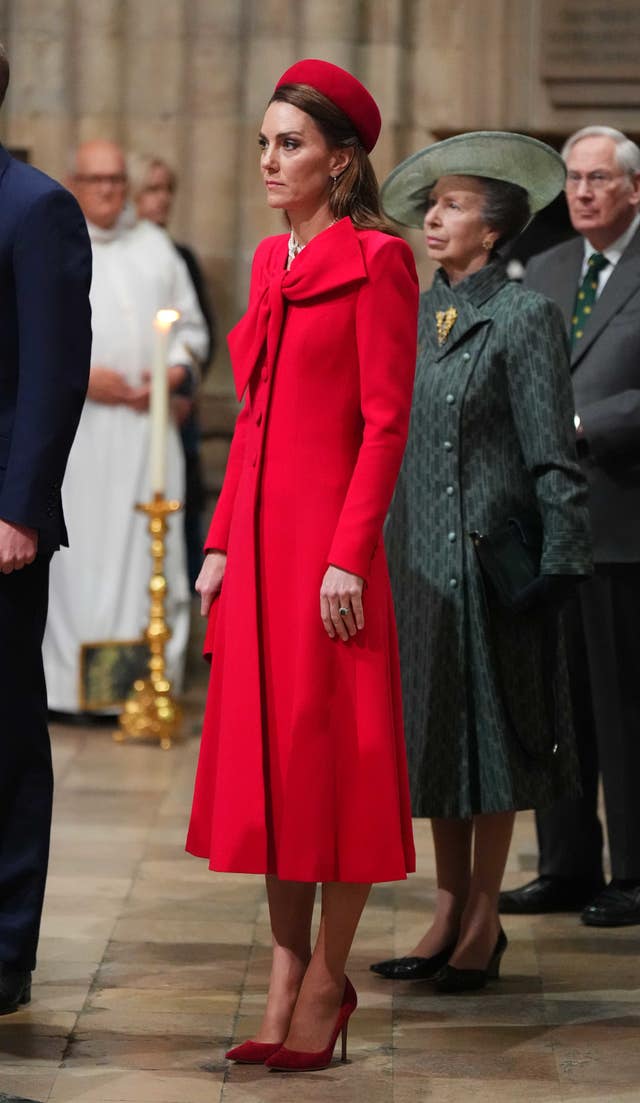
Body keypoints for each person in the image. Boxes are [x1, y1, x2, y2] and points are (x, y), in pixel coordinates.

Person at [186, 59, 418, 1070]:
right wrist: (221, 541)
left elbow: (384, 423)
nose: (272, 160)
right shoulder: (273, 258)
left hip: (330, 561)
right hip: (262, 556)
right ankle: (280, 976)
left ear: (342, 158)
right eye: (267, 142)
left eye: (292, 143)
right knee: (276, 769)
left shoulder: (378, 261)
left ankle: (327, 975)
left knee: (338, 767)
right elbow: (253, 421)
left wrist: (349, 556)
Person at [370, 132, 592, 992]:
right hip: (414, 563)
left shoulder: (527, 315)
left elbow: (551, 454)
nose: (434, 217)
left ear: (493, 230)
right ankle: (445, 903)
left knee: (491, 745)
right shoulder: (411, 314)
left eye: (453, 204)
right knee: (436, 743)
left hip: (496, 567)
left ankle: (482, 917)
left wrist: (563, 560)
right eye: (432, 204)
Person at [499, 126, 640, 927]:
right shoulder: (548, 270)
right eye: (574, 180)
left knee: (625, 707)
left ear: (633, 190)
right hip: (548, 524)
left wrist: (586, 421)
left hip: (624, 517)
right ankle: (565, 864)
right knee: (557, 704)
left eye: (598, 179)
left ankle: (637, 870)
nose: (582, 192)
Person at [42, 139, 208, 715]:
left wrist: (174, 371)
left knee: (145, 560)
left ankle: (136, 691)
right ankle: (67, 692)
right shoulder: (52, 245)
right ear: (73, 182)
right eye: (96, 179)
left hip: (145, 438)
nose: (109, 190)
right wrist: (82, 378)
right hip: (77, 439)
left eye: (116, 179)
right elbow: (26, 336)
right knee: (75, 566)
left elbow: (191, 332)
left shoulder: (156, 249)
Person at [0, 43, 92, 1013]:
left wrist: (20, 507)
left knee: (5, 738)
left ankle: (5, 943)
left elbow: (54, 371)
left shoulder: (35, 207)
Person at [127, 152, 217, 591]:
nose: (162, 200)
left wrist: (180, 386)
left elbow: (201, 336)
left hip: (173, 411)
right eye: (152, 189)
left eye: (168, 190)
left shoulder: (177, 256)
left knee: (180, 518)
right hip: (117, 413)